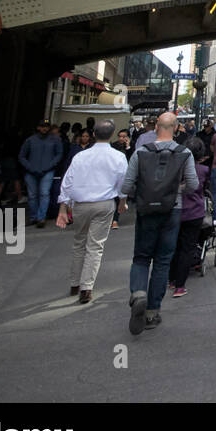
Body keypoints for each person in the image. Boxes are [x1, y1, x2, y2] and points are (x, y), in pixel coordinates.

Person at [122, 112, 199, 334]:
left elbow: (126, 186)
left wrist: (142, 193)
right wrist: (176, 189)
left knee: (141, 257)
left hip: (146, 210)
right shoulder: (184, 153)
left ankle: (138, 293)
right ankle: (152, 311)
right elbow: (193, 185)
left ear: (156, 126)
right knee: (163, 260)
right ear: (176, 128)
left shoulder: (140, 152)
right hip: (172, 209)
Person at [55, 120, 127, 304]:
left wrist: (63, 206)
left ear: (94, 134)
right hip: (104, 203)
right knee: (95, 246)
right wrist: (122, 202)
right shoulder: (118, 157)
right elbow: (123, 183)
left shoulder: (80, 156)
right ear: (111, 135)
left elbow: (68, 181)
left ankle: (74, 283)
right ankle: (86, 287)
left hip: (81, 203)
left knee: (79, 242)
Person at [168, 136, 211, 297]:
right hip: (194, 212)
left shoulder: (175, 168)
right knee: (187, 248)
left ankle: (170, 279)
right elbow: (205, 188)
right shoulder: (203, 170)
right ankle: (180, 285)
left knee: (174, 246)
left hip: (175, 210)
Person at [19, 120, 64, 228]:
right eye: (42, 126)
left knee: (44, 193)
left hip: (47, 171)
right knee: (32, 195)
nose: (44, 129)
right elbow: (21, 156)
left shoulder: (55, 140)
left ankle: (41, 217)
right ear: (38, 128)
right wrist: (30, 167)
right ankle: (34, 217)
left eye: (46, 126)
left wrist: (49, 166)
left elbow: (59, 154)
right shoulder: (30, 140)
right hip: (31, 171)